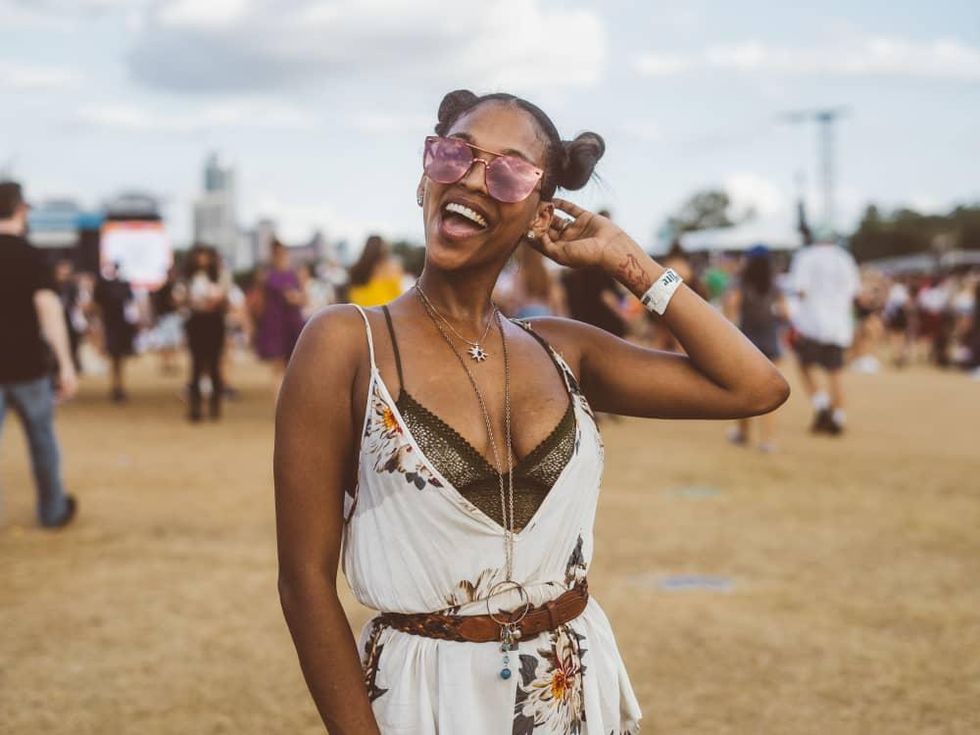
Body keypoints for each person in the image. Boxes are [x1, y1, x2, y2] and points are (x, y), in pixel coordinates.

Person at [274, 90, 789, 734]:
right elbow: (304, 582)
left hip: (570, 693)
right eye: (454, 154)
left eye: (509, 171)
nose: (471, 178)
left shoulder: (564, 349)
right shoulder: (347, 343)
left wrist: (628, 262)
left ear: (541, 214)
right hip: (424, 701)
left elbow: (755, 387)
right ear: (424, 179)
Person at [0, 181, 78, 528]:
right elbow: (48, 309)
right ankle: (52, 510)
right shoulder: (32, 256)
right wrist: (65, 364)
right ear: (20, 210)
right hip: (28, 365)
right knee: (42, 442)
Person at [788, 230, 860, 435]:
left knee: (804, 367)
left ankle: (821, 405)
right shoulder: (845, 258)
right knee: (835, 373)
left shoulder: (806, 257)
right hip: (839, 325)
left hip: (812, 324)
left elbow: (800, 290)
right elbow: (854, 291)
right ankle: (838, 417)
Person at [724, 245, 789, 452]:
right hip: (770, 340)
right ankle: (767, 440)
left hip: (747, 341)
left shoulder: (740, 282)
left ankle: (743, 433)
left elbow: (731, 305)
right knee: (769, 392)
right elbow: (786, 312)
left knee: (744, 390)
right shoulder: (774, 284)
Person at [181, 245, 228, 422]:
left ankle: (215, 405)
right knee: (197, 365)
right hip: (197, 322)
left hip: (213, 322)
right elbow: (181, 300)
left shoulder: (220, 277)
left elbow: (225, 300)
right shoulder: (188, 280)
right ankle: (196, 406)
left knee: (214, 365)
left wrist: (215, 301)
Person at [254, 240, 306, 379]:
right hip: (275, 323)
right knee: (278, 365)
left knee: (293, 363)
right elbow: (260, 301)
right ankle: (280, 392)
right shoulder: (265, 275)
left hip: (292, 322)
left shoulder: (296, 273)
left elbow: (304, 299)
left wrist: (295, 298)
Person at [93, 260, 137, 402]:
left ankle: (118, 386)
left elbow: (130, 305)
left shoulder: (121, 285)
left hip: (120, 326)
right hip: (111, 325)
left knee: (118, 358)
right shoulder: (104, 286)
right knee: (115, 357)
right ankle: (117, 386)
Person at [347, 235, 405, 307]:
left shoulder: (356, 269)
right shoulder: (391, 267)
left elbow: (352, 295)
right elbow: (399, 295)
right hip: (383, 311)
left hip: (361, 311)